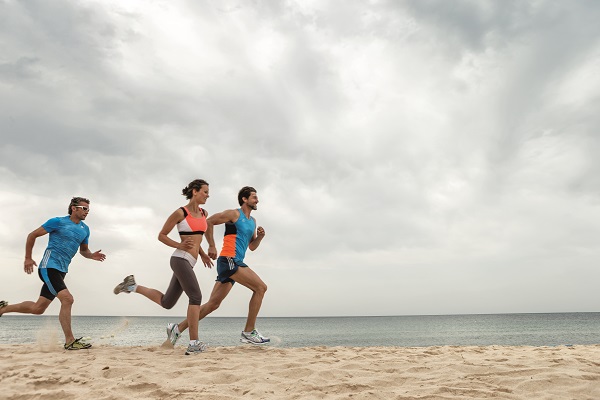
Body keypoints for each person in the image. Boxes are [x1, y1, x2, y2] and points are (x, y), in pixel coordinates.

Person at [113, 179, 213, 355]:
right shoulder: (180, 212)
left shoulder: (204, 213)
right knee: (196, 296)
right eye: (205, 191)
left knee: (167, 302)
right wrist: (179, 244)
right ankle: (193, 343)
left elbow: (197, 238)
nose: (208, 195)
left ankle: (131, 285)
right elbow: (161, 235)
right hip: (180, 259)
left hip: (190, 261)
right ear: (195, 192)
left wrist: (203, 254)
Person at [166, 186, 269, 346]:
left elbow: (252, 247)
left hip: (234, 262)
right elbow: (209, 222)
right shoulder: (234, 214)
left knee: (213, 304)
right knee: (261, 288)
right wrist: (212, 245)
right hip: (229, 259)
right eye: (254, 197)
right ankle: (249, 331)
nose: (257, 200)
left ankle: (177, 329)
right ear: (244, 199)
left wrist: (260, 237)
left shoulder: (253, 222)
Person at [0, 197, 106, 350]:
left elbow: (84, 251)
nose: (87, 212)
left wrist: (91, 256)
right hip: (48, 267)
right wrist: (28, 258)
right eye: (84, 208)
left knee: (38, 308)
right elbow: (32, 235)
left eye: (88, 209)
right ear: (74, 208)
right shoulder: (57, 221)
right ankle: (70, 341)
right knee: (68, 299)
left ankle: (3, 309)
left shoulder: (85, 229)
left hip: (62, 270)